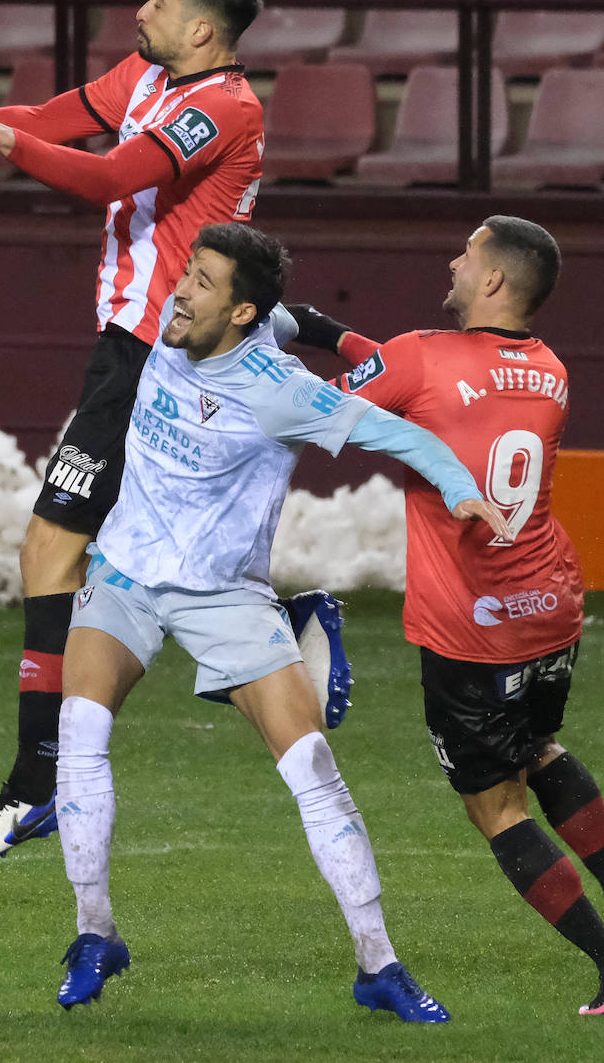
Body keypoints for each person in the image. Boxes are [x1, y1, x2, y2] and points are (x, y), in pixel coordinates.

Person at [0, 0, 320, 866]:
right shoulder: (147, 75)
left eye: (159, 0)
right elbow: (51, 118)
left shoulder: (222, 106)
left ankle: (39, 781)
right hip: (133, 351)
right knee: (112, 562)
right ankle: (54, 770)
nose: (142, 8)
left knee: (69, 549)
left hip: (169, 361)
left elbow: (109, 177)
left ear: (204, 27)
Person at [53, 222, 514, 1018]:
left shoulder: (281, 391)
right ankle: (96, 935)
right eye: (187, 272)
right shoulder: (184, 327)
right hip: (124, 573)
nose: (181, 290)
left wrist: (456, 486)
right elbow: (293, 314)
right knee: (80, 735)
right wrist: (340, 332)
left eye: (201, 282)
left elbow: (396, 432)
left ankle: (378, 967)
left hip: (224, 595)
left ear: (238, 316)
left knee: (312, 772)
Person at [286, 216, 604, 1018]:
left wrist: (294, 334)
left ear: (492, 281)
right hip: (549, 602)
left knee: (495, 806)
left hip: (472, 619)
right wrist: (333, 332)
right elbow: (431, 379)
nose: (453, 261)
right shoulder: (552, 369)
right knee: (538, 745)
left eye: (467, 254)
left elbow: (320, 407)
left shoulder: (423, 355)